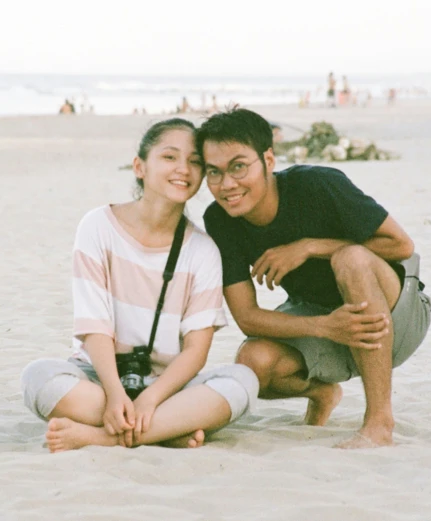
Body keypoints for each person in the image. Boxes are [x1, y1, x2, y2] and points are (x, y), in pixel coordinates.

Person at [197, 108, 431, 449]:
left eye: (238, 166)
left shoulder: (318, 185)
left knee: (349, 258)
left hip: (397, 316)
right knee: (252, 363)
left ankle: (379, 422)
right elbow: (248, 317)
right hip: (327, 325)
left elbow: (401, 245)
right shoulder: (220, 220)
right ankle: (323, 393)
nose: (227, 184)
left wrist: (309, 247)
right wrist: (326, 326)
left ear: (268, 160)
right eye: (213, 172)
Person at [21, 119, 259, 453]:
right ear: (140, 166)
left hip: (168, 388)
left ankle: (101, 436)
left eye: (194, 162)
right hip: (99, 379)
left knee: (243, 383)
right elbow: (95, 325)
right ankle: (167, 431)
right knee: (38, 378)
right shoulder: (98, 226)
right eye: (169, 157)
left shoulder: (203, 250)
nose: (183, 169)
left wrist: (149, 399)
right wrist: (116, 394)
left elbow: (196, 350)